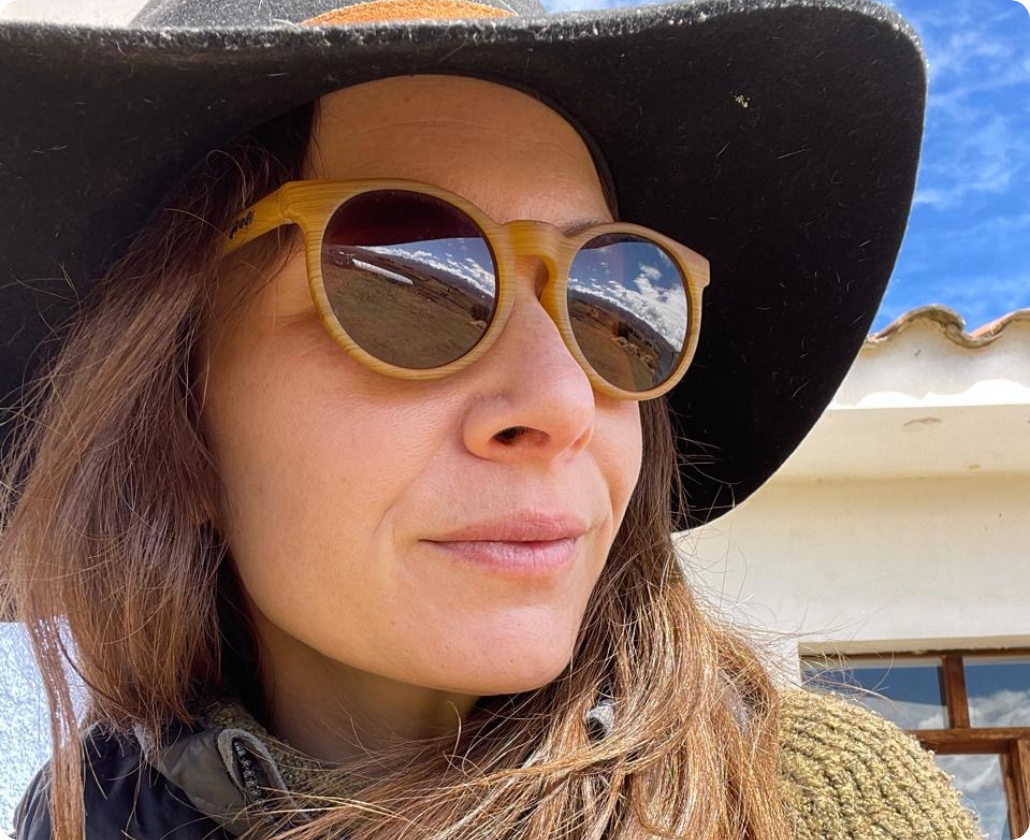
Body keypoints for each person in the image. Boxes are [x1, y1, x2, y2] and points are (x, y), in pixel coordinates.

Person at [0, 0, 984, 838]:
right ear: (176, 427)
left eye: (619, 301)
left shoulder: (802, 800)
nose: (564, 403)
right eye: (418, 278)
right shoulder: (85, 816)